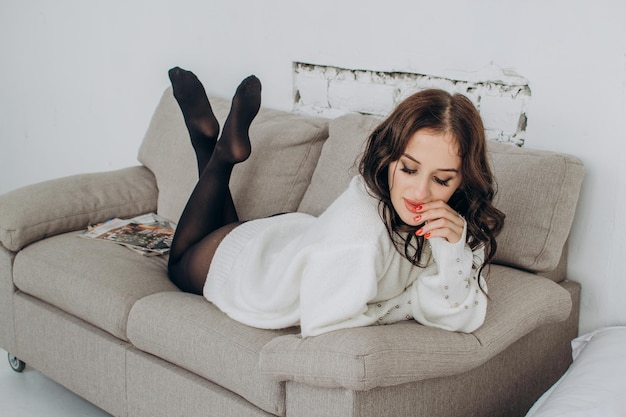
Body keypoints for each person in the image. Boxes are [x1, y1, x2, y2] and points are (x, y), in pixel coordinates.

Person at [166, 67, 505, 338]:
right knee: (178, 264)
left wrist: (453, 250)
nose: (419, 193)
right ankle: (217, 153)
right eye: (409, 169)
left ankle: (212, 146)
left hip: (282, 243)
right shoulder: (361, 234)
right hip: (253, 272)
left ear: (464, 179)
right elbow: (323, 325)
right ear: (388, 158)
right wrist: (402, 304)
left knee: (219, 228)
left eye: (442, 179)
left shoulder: (450, 227)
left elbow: (459, 316)